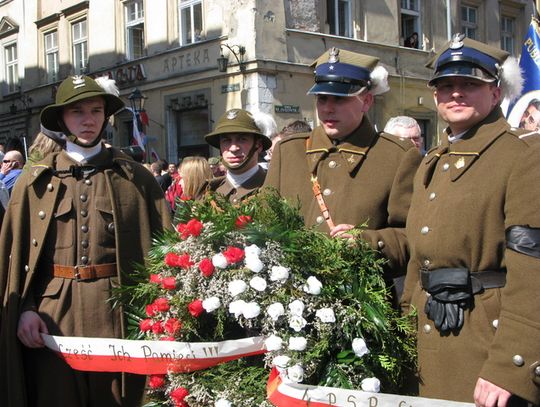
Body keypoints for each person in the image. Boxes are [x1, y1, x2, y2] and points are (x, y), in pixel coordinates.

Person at [0, 74, 172, 407]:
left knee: (116, 399)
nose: (88, 119)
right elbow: (14, 258)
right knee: (55, 397)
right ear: (62, 118)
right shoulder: (35, 180)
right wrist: (25, 308)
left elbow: (164, 250)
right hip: (52, 314)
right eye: (77, 111)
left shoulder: (134, 177)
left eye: (95, 110)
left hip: (117, 310)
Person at [401, 34, 540, 406]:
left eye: (470, 84)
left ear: (496, 93)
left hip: (484, 344)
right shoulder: (432, 161)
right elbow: (419, 257)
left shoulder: (524, 155)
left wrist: (512, 364)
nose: (456, 93)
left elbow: (532, 271)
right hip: (426, 335)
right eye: (446, 86)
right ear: (435, 97)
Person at [265, 47, 422, 291]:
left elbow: (414, 237)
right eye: (322, 98)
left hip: (362, 303)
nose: (328, 108)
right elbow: (264, 223)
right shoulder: (289, 151)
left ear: (366, 101)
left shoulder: (396, 156)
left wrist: (367, 243)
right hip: (289, 300)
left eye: (340, 99)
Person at [204, 108, 271, 204]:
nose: (233, 148)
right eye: (226, 141)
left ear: (258, 145)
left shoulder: (273, 187)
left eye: (242, 139)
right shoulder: (209, 192)